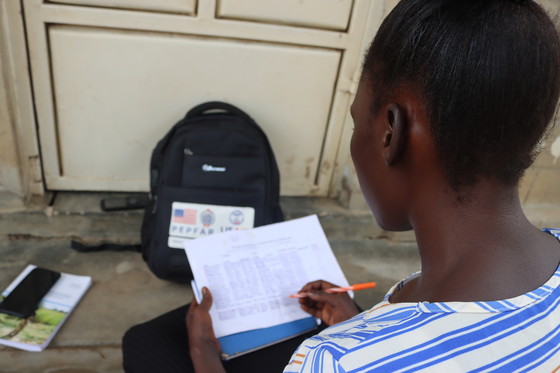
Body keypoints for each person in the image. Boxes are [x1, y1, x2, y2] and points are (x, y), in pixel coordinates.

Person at [123, 0, 560, 371]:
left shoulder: (335, 359)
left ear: (390, 132)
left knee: (147, 343)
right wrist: (363, 320)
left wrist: (202, 353)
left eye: (356, 121)